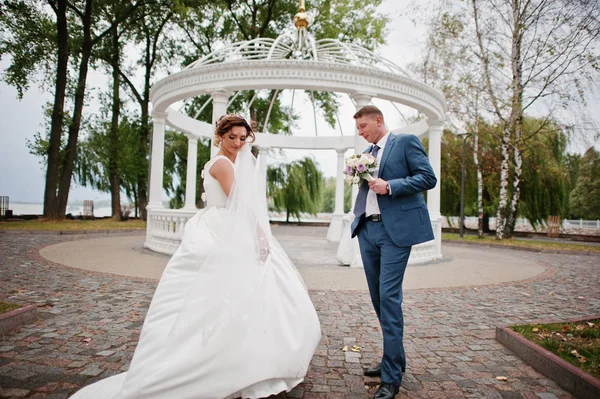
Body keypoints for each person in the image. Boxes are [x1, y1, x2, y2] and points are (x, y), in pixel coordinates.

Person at [71, 114, 321, 399]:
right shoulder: (224, 164)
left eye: (242, 138)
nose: (237, 143)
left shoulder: (213, 162)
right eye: (232, 138)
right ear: (220, 136)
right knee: (231, 289)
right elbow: (237, 203)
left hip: (216, 223)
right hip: (226, 227)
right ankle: (223, 361)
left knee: (232, 290)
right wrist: (260, 236)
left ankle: (234, 356)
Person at [350, 105, 437, 399]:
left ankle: (391, 379)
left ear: (378, 120)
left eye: (363, 126)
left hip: (394, 232)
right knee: (378, 298)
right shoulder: (367, 153)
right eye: (357, 128)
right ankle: (394, 360)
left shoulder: (405, 142)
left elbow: (427, 178)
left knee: (389, 298)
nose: (360, 132)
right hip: (367, 230)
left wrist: (391, 185)